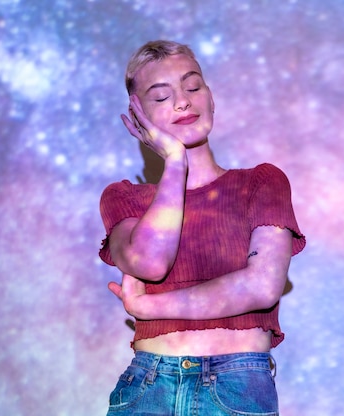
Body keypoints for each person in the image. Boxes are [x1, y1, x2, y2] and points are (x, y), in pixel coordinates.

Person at [98, 40, 306, 415]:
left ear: (210, 98)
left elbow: (261, 286)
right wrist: (175, 162)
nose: (183, 102)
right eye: (161, 97)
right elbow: (150, 263)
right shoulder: (124, 198)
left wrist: (148, 306)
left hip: (235, 387)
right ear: (137, 115)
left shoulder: (261, 183)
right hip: (147, 388)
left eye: (193, 87)